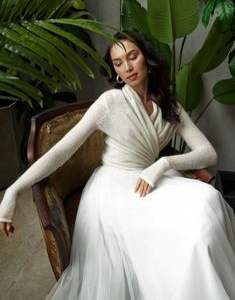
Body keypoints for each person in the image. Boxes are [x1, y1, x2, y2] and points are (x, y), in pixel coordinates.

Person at [0, 31, 235, 300]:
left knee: (210, 201)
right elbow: (62, 150)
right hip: (115, 191)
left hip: (152, 178)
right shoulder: (110, 102)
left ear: (146, 59)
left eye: (132, 57)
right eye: (118, 63)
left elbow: (208, 153)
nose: (127, 67)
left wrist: (163, 164)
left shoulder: (169, 105)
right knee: (191, 234)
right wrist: (14, 190)